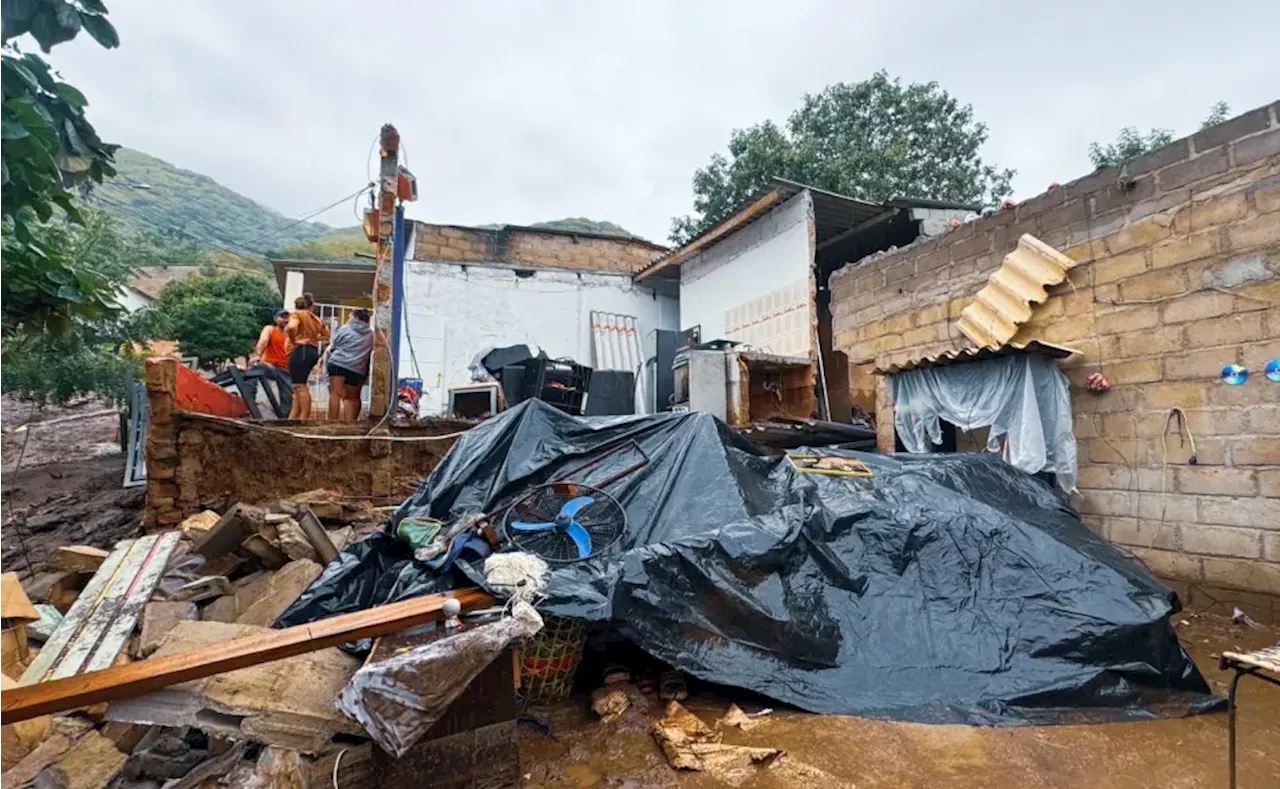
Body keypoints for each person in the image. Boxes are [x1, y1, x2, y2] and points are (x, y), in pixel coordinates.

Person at [284, 295, 329, 419]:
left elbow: (292, 327)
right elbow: (327, 335)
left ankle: (303, 418)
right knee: (297, 387)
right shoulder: (316, 319)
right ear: (311, 306)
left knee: (299, 385)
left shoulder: (297, 315)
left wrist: (294, 340)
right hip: (311, 351)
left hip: (300, 351)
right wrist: (313, 339)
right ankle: (293, 417)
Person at [324, 308, 374, 420]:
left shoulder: (345, 329)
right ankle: (350, 424)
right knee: (352, 398)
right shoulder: (371, 335)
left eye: (350, 316)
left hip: (338, 363)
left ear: (355, 317)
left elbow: (334, 344)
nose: (349, 319)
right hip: (357, 368)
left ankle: (331, 423)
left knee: (335, 394)